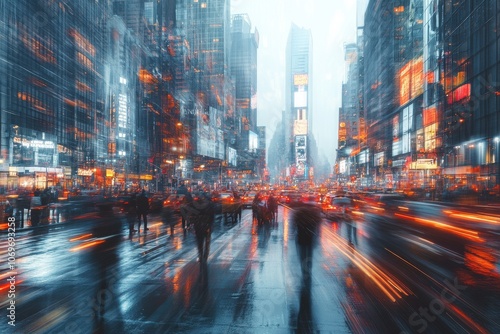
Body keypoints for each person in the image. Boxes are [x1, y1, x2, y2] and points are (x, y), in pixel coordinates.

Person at [292, 203, 322, 282]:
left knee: (302, 255)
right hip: (310, 237)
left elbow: (294, 224)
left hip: (301, 236)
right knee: (309, 254)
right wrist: (318, 235)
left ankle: (304, 270)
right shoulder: (313, 214)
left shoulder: (299, 213)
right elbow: (318, 225)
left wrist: (292, 231)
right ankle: (308, 269)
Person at [184, 192, 215, 263]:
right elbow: (212, 215)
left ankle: (201, 255)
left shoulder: (196, 204)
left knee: (200, 242)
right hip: (205, 225)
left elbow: (191, 214)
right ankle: (204, 255)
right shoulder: (209, 204)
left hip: (199, 225)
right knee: (205, 241)